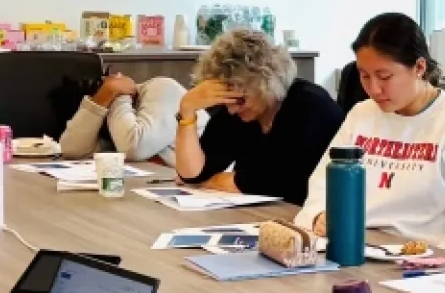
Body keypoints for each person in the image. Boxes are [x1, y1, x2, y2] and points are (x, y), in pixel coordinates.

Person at [296, 13, 445, 253]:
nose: (373, 89)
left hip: (421, 260)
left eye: (384, 76)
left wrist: (424, 260)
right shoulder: (361, 115)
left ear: (419, 67)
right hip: (353, 248)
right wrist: (318, 216)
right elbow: (322, 184)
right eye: (364, 75)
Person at [172, 28, 342, 204]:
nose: (231, 110)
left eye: (239, 100)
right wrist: (187, 109)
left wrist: (217, 181)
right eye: (225, 102)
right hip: (268, 214)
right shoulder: (239, 110)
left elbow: (279, 182)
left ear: (265, 84)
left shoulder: (309, 105)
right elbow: (192, 174)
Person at [57, 71, 185, 163]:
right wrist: (104, 98)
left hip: (196, 191)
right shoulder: (113, 122)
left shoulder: (163, 88)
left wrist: (118, 95)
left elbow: (134, 148)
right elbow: (72, 150)